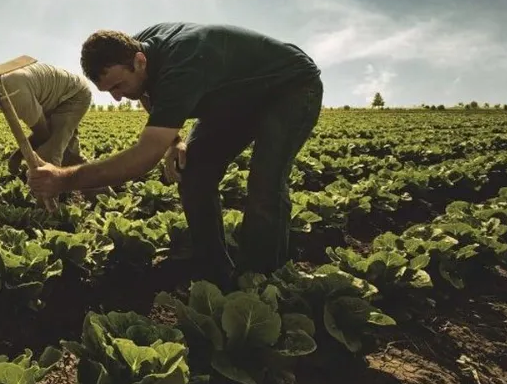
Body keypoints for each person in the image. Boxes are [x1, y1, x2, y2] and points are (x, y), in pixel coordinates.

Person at [27, 22, 324, 286]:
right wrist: (175, 141)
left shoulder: (183, 65)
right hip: (232, 98)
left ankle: (263, 280)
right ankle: (213, 269)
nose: (118, 96)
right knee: (193, 173)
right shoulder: (137, 51)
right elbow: (146, 93)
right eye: (109, 91)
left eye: (119, 85)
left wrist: (63, 180)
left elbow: (144, 157)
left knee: (265, 181)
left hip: (289, 87)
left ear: (139, 61)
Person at [0, 61, 92, 200]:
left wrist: (17, 156)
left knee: (47, 153)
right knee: (70, 155)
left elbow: (43, 134)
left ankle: (45, 214)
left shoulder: (13, 91)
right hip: (53, 98)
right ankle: (102, 192)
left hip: (72, 96)